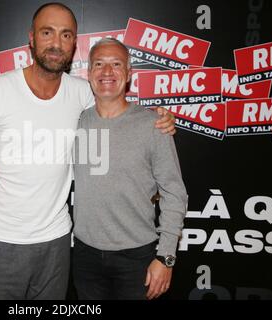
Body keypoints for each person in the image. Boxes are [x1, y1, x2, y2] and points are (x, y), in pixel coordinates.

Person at [0, 2, 175, 300]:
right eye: (48, 32)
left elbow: (118, 108)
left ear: (74, 45)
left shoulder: (84, 93)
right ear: (31, 38)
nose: (56, 43)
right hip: (0, 239)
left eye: (66, 35)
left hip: (58, 241)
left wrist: (163, 118)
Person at [71, 38, 188, 300]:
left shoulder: (153, 125)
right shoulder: (74, 122)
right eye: (99, 64)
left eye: (116, 64)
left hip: (137, 258)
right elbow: (43, 159)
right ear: (89, 74)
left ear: (129, 74)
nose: (107, 72)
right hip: (84, 256)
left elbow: (174, 192)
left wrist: (166, 257)